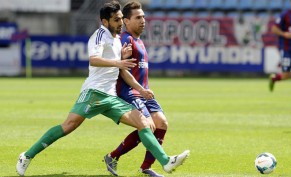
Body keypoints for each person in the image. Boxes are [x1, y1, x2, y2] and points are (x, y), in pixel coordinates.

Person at [15, 1, 189, 176]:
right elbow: (94, 59)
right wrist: (118, 61)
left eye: (121, 19)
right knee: (68, 126)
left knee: (143, 123)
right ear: (105, 22)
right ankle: (27, 155)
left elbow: (120, 67)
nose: (120, 23)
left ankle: (165, 161)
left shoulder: (117, 40)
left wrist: (124, 61)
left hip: (111, 97)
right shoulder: (99, 35)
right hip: (93, 92)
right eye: (116, 20)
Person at [103, 2, 170, 177]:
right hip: (131, 92)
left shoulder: (138, 40)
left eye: (144, 17)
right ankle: (113, 156)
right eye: (138, 18)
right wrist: (139, 88)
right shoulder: (126, 39)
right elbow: (119, 67)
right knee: (149, 126)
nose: (143, 20)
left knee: (161, 123)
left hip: (144, 91)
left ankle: (145, 167)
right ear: (126, 21)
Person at [269, 0, 291, 104]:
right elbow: (274, 29)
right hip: (287, 50)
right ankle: (274, 78)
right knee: (287, 75)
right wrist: (284, 34)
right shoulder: (285, 15)